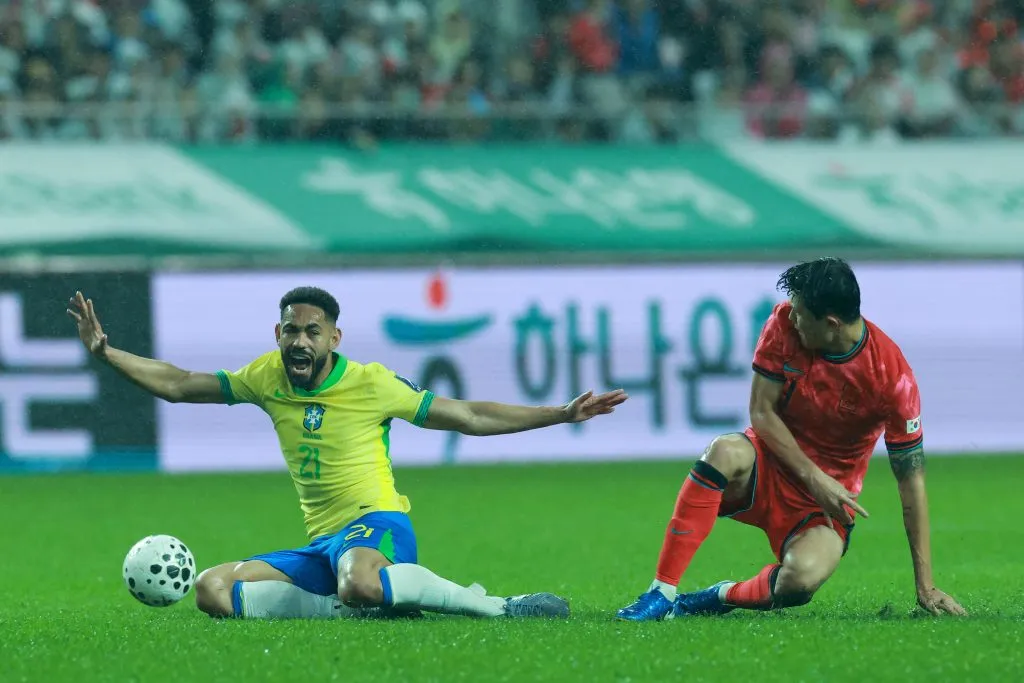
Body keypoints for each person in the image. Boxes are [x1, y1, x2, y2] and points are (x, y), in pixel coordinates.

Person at [67, 286, 628, 621]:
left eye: (313, 331)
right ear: (278, 333)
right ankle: (352, 602)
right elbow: (181, 383)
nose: (300, 342)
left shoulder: (372, 383)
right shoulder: (266, 376)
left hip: (377, 524)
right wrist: (107, 352)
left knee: (360, 578)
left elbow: (469, 416)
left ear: (334, 338)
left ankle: (497, 605)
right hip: (322, 544)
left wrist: (557, 413)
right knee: (212, 591)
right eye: (291, 331)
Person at [616, 257, 966, 620]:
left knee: (799, 583)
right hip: (768, 465)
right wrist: (814, 476)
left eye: (801, 314)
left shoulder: (892, 379)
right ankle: (660, 592)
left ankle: (711, 599)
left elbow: (911, 485)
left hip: (825, 504)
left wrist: (925, 585)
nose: (792, 318)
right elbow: (761, 412)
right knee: (724, 451)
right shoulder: (783, 323)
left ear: (830, 323)